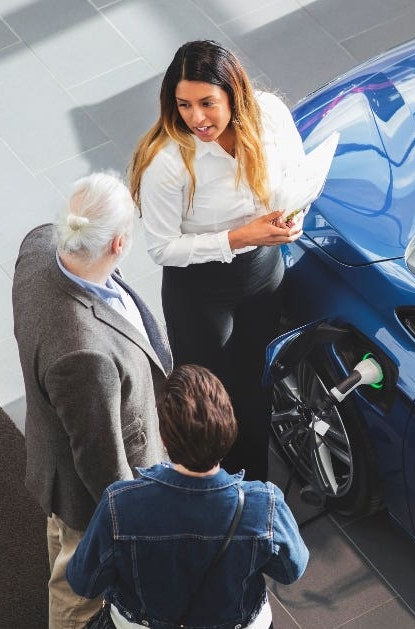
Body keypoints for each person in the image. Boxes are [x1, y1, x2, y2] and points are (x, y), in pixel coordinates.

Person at [12, 171, 173, 629]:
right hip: (83, 484)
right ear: (119, 244)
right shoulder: (84, 355)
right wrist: (131, 522)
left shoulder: (38, 246)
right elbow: (101, 459)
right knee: (78, 581)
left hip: (52, 443)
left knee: (62, 548)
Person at [67, 364, 309, 629]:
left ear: (164, 437)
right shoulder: (263, 504)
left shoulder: (120, 503)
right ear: (229, 429)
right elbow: (292, 570)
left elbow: (83, 581)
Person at [129, 39, 306, 479]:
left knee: (256, 391)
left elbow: (298, 173)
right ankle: (214, 489)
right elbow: (161, 248)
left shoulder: (270, 117)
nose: (196, 118)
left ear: (234, 94)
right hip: (200, 292)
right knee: (210, 405)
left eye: (207, 102)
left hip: (263, 273)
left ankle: (257, 487)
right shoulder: (167, 162)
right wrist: (240, 235)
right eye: (184, 105)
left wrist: (296, 214)